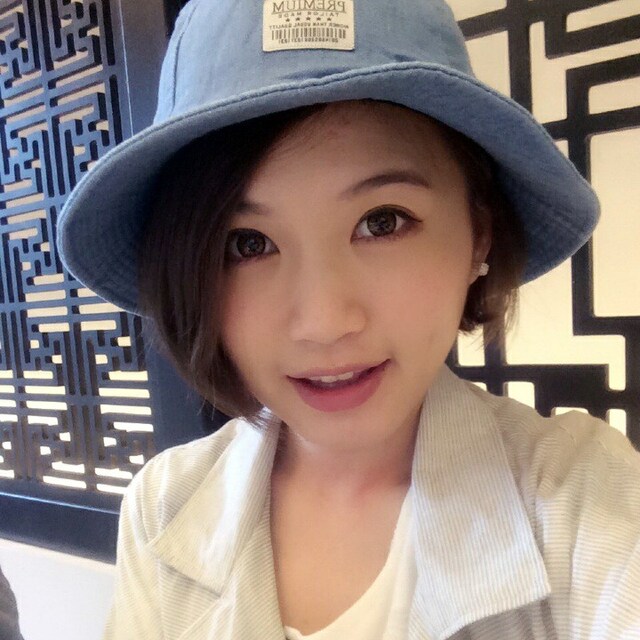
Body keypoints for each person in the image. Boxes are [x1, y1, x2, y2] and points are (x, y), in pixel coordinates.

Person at [56, 0, 640, 638]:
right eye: (247, 244)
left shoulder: (586, 498)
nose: (324, 323)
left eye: (382, 221)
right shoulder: (163, 505)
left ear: (479, 234)